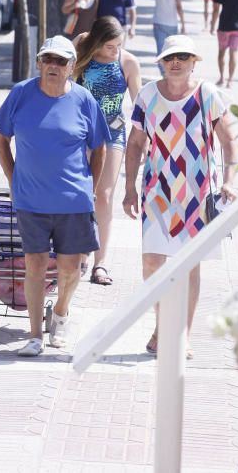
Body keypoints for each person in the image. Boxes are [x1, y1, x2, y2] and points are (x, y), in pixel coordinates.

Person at [0, 35, 110, 357]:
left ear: (72, 67)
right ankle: (34, 335)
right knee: (35, 265)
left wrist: (91, 186)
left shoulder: (85, 100)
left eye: (61, 61)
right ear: (39, 62)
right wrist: (13, 179)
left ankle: (60, 313)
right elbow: (1, 139)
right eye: (48, 59)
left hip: (73, 199)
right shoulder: (21, 94)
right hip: (31, 199)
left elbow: (99, 147)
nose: (53, 66)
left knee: (71, 268)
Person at [122, 35, 238, 359]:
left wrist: (229, 181)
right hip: (157, 192)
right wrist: (129, 188)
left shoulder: (207, 94)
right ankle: (163, 325)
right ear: (162, 61)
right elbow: (134, 144)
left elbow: (229, 143)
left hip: (198, 195)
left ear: (193, 62)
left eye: (183, 57)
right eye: (171, 57)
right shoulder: (147, 94)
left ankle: (182, 335)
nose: (176, 62)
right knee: (151, 262)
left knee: (189, 266)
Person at [73, 16, 141, 285]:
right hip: (79, 131)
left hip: (113, 131)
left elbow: (139, 106)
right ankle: (79, 252)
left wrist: (142, 141)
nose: (116, 51)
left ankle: (100, 262)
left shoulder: (127, 62)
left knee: (104, 195)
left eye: (119, 45)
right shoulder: (81, 48)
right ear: (98, 42)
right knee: (81, 191)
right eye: (111, 46)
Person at [152, 0, 185, 68]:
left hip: (158, 22)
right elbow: (179, 6)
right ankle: (170, 73)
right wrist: (183, 23)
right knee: (172, 51)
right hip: (172, 24)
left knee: (160, 52)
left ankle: (164, 74)